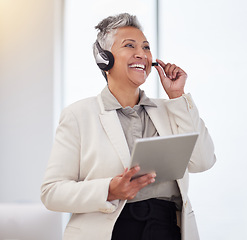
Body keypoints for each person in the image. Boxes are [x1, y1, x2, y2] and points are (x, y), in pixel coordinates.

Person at [41, 13, 216, 240]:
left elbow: (203, 161)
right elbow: (51, 192)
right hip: (112, 230)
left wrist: (178, 96)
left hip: (166, 229)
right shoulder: (79, 115)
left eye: (146, 47)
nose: (141, 54)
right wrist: (109, 190)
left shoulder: (171, 109)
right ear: (104, 59)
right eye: (129, 45)